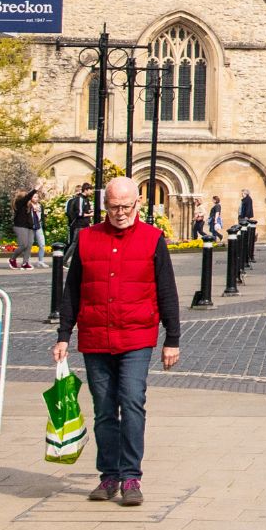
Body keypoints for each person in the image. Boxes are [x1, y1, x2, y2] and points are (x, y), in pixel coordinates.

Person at [52, 177, 183, 507]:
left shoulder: (152, 239)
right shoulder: (87, 239)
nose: (120, 213)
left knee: (132, 401)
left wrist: (172, 338)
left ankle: (131, 476)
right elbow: (72, 290)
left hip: (136, 336)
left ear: (138, 204)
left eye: (126, 206)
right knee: (104, 409)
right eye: (113, 207)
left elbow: (167, 291)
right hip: (96, 336)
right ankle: (109, 475)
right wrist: (64, 335)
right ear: (105, 206)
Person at [10, 188, 44, 269]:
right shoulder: (19, 202)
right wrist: (35, 189)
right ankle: (12, 259)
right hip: (20, 226)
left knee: (29, 245)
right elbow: (27, 197)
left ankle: (25, 263)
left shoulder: (28, 205)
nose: (29, 197)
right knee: (23, 245)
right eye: (26, 196)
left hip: (30, 226)